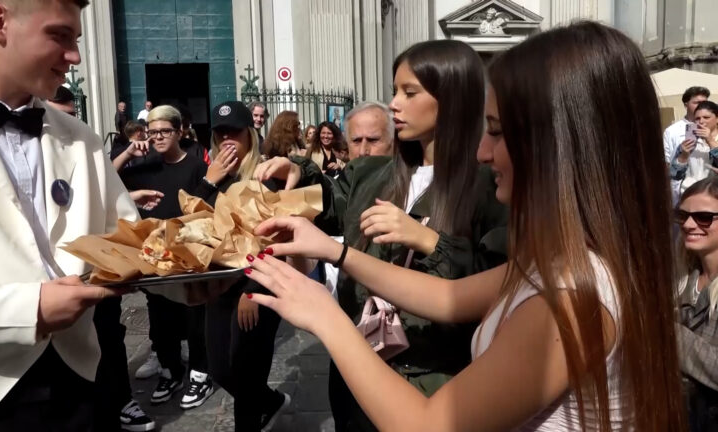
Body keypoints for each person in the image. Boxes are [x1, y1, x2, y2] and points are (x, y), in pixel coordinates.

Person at [246, 22, 686, 431]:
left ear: (555, 146)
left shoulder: (572, 299)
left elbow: (428, 424)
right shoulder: (565, 260)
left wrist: (325, 316)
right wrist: (333, 251)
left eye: (495, 131)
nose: (482, 152)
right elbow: (450, 297)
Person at [255, 39, 508, 432]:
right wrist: (295, 173)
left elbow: (496, 285)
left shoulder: (491, 186)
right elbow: (329, 203)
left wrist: (428, 240)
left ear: (453, 98)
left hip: (433, 381)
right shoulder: (373, 173)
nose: (394, 104)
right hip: (358, 368)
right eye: (394, 91)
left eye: (409, 92)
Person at [0, 0, 142, 430]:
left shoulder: (84, 140)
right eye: (60, 35)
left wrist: (198, 277)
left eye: (76, 39)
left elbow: (133, 245)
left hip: (81, 385)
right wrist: (30, 308)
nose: (74, 56)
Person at [193, 101, 302, 431]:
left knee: (246, 372)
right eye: (220, 132)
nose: (227, 138)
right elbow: (185, 225)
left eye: (235, 132)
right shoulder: (210, 177)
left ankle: (253, 416)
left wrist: (253, 291)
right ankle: (269, 402)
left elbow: (278, 241)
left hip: (257, 288)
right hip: (219, 289)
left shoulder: (266, 177)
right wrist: (208, 182)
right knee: (220, 369)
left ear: (249, 136)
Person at [119, 105, 214, 410]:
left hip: (189, 257)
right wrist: (127, 154)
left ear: (180, 131)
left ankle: (201, 373)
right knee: (161, 319)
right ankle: (170, 371)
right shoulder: (145, 166)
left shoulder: (197, 166)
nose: (158, 137)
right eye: (153, 132)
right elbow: (102, 182)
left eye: (164, 131)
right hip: (154, 257)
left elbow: (210, 209)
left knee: (195, 318)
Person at [674, 177, 718, 431]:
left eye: (703, 217)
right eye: (682, 216)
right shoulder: (681, 277)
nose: (689, 224)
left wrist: (667, 332)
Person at [671, 101, 718, 194]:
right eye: (697, 118)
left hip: (713, 196)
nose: (701, 121)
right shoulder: (688, 142)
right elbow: (674, 175)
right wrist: (683, 156)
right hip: (690, 193)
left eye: (706, 117)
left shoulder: (713, 141)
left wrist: (710, 141)